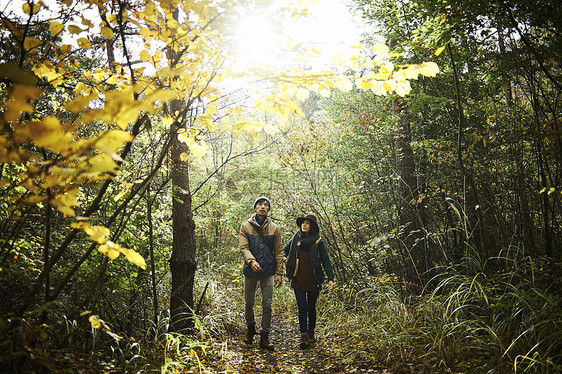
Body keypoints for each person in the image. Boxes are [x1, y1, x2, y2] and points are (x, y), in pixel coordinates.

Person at [283, 213, 334, 349]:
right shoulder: (296, 238)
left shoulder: (318, 241)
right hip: (298, 277)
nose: (304, 225)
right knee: (302, 307)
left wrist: (330, 277)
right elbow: (285, 250)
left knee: (311, 307)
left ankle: (311, 333)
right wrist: (284, 258)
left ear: (312, 226)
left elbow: (325, 259)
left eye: (307, 223)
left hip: (313, 278)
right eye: (303, 223)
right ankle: (304, 336)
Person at [239, 196, 284, 350]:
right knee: (248, 303)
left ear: (269, 209)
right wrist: (252, 261)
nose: (263, 207)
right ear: (255, 208)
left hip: (268, 271)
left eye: (266, 205)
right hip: (250, 270)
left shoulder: (274, 228)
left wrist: (279, 273)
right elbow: (244, 247)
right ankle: (250, 330)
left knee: (267, 304)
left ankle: (264, 336)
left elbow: (279, 251)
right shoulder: (245, 227)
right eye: (260, 204)